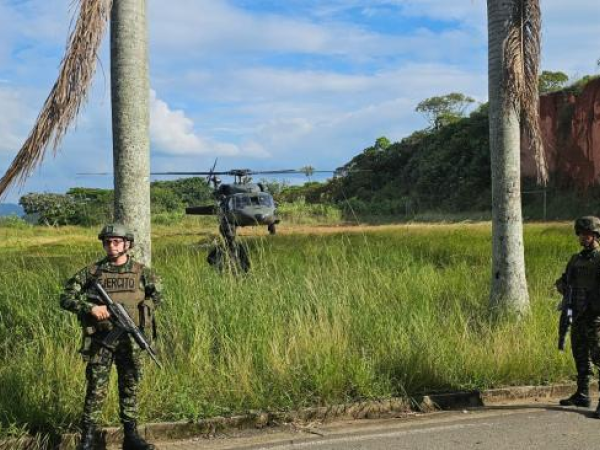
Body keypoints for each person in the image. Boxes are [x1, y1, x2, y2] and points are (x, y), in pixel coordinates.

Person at [60, 224, 163, 449]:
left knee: (130, 386)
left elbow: (157, 297)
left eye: (116, 241)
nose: (111, 246)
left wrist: (142, 309)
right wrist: (90, 308)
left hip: (131, 341)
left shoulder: (142, 272)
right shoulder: (92, 272)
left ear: (127, 244)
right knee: (96, 389)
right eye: (107, 241)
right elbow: (66, 297)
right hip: (101, 341)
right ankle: (88, 438)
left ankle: (131, 436)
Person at [556, 216, 600, 416]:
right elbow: (564, 281)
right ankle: (582, 394)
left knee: (598, 356)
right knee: (580, 355)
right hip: (578, 315)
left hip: (596, 318)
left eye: (587, 234)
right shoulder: (576, 259)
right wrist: (563, 286)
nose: (582, 237)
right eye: (580, 234)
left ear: (596, 235)